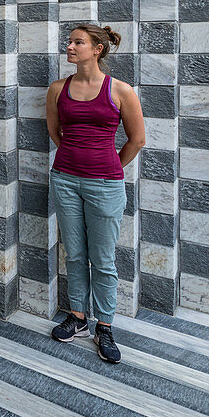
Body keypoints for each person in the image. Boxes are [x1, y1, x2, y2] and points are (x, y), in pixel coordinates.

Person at [45, 24, 145, 363]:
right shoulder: (58, 89)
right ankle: (77, 318)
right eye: (69, 42)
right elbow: (56, 132)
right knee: (74, 253)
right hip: (65, 179)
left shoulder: (121, 90)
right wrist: (76, 159)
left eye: (78, 42)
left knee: (102, 259)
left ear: (97, 49)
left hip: (105, 183)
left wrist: (107, 166)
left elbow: (137, 140)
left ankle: (105, 325)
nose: (70, 47)